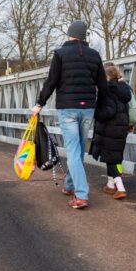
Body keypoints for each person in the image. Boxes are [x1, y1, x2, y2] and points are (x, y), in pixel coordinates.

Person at [32, 20, 107, 209]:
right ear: (84, 35)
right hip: (87, 108)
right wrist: (100, 106)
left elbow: (51, 82)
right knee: (79, 150)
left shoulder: (60, 54)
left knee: (74, 151)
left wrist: (40, 103)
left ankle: (81, 195)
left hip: (68, 108)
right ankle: (69, 184)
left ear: (70, 34)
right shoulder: (95, 55)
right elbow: (102, 85)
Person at [90, 62, 133, 200]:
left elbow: (109, 111)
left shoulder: (108, 90)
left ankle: (120, 188)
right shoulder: (124, 89)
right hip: (121, 128)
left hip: (110, 128)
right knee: (112, 157)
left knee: (111, 160)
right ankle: (110, 185)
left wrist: (95, 112)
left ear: (107, 76)